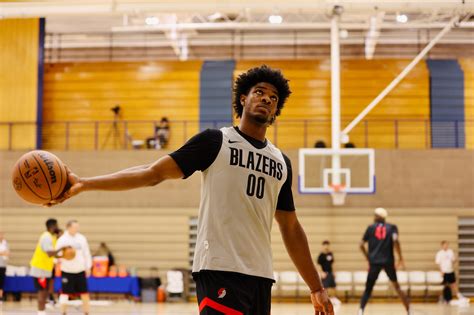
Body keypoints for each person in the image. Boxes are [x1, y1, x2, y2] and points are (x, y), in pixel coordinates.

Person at [47, 65, 334, 315]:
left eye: (274, 98)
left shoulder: (281, 162)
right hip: (219, 268)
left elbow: (291, 227)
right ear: (243, 98)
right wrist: (85, 183)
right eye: (260, 92)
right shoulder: (216, 141)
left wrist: (316, 287)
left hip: (261, 275)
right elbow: (152, 174)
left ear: (275, 112)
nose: (267, 99)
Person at [358, 208, 410, 315]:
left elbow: (361, 244)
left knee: (368, 289)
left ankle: (360, 311)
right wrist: (400, 257)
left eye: (375, 215)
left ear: (379, 216)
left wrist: (368, 257)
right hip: (388, 261)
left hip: (374, 262)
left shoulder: (370, 228)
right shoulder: (392, 227)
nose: (374, 217)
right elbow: (396, 241)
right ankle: (409, 310)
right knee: (397, 287)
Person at [55, 220, 92, 315]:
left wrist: (88, 267)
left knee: (84, 292)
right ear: (68, 228)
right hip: (67, 270)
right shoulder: (62, 240)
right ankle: (63, 312)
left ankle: (86, 312)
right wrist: (60, 258)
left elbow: (86, 253)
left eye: (77, 227)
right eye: (74, 227)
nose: (76, 229)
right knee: (64, 293)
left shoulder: (82, 238)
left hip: (80, 270)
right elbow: (56, 255)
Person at [29, 219, 64, 315]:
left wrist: (64, 256)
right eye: (57, 225)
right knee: (42, 292)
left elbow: (53, 254)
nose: (58, 227)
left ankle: (42, 311)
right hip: (40, 268)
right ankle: (40, 312)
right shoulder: (46, 237)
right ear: (52, 226)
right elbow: (49, 253)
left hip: (46, 268)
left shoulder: (52, 237)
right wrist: (62, 248)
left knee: (45, 291)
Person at [317, 240, 340, 306]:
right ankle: (325, 300)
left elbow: (333, 264)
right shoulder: (321, 255)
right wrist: (321, 273)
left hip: (330, 273)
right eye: (325, 245)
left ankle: (334, 299)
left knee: (333, 286)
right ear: (323, 246)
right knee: (325, 288)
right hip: (324, 273)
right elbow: (319, 265)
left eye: (327, 245)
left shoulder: (330, 254)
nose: (326, 246)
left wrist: (334, 272)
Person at [0, 232, 10, 305]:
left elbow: (7, 253)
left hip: (3, 265)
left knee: (1, 281)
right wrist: (2, 253)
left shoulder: (5, 243)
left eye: (1, 234)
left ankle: (0, 297)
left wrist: (2, 253)